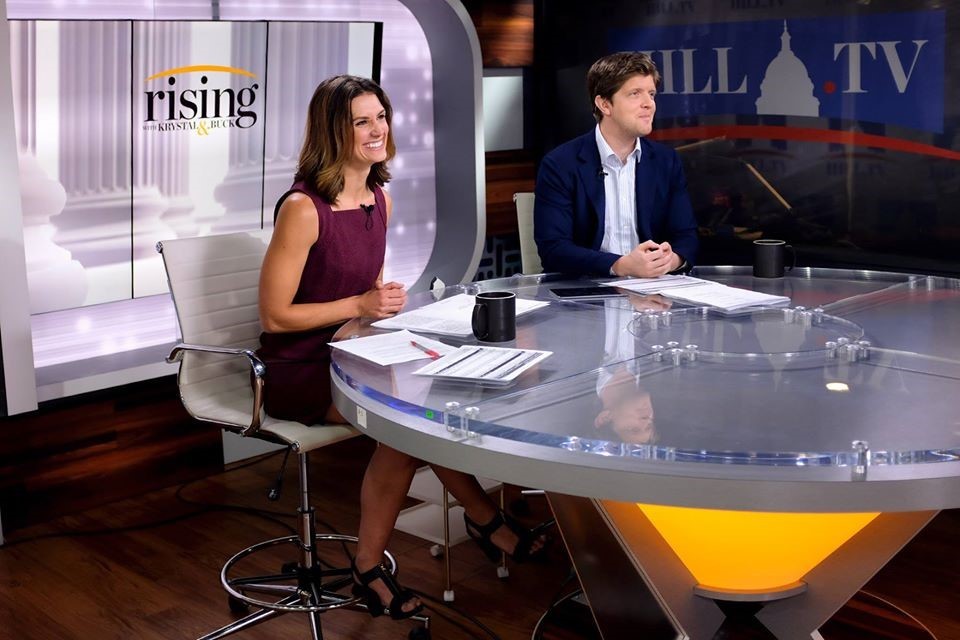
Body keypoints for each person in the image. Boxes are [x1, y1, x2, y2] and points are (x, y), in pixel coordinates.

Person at [257, 75, 544, 621]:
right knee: (405, 427)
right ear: (333, 131)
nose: (377, 130)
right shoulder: (302, 207)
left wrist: (382, 305)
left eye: (381, 117)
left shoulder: (378, 197)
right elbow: (274, 315)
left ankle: (483, 521)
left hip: (356, 347)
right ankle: (379, 563)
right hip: (302, 366)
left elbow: (365, 290)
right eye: (361, 121)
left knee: (440, 398)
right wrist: (360, 305)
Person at [534, 51, 699, 277]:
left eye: (651, 94)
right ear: (604, 104)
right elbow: (553, 249)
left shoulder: (666, 161)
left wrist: (670, 261)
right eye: (635, 94)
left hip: (653, 289)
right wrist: (620, 265)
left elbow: (686, 236)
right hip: (586, 288)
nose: (649, 104)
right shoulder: (560, 164)